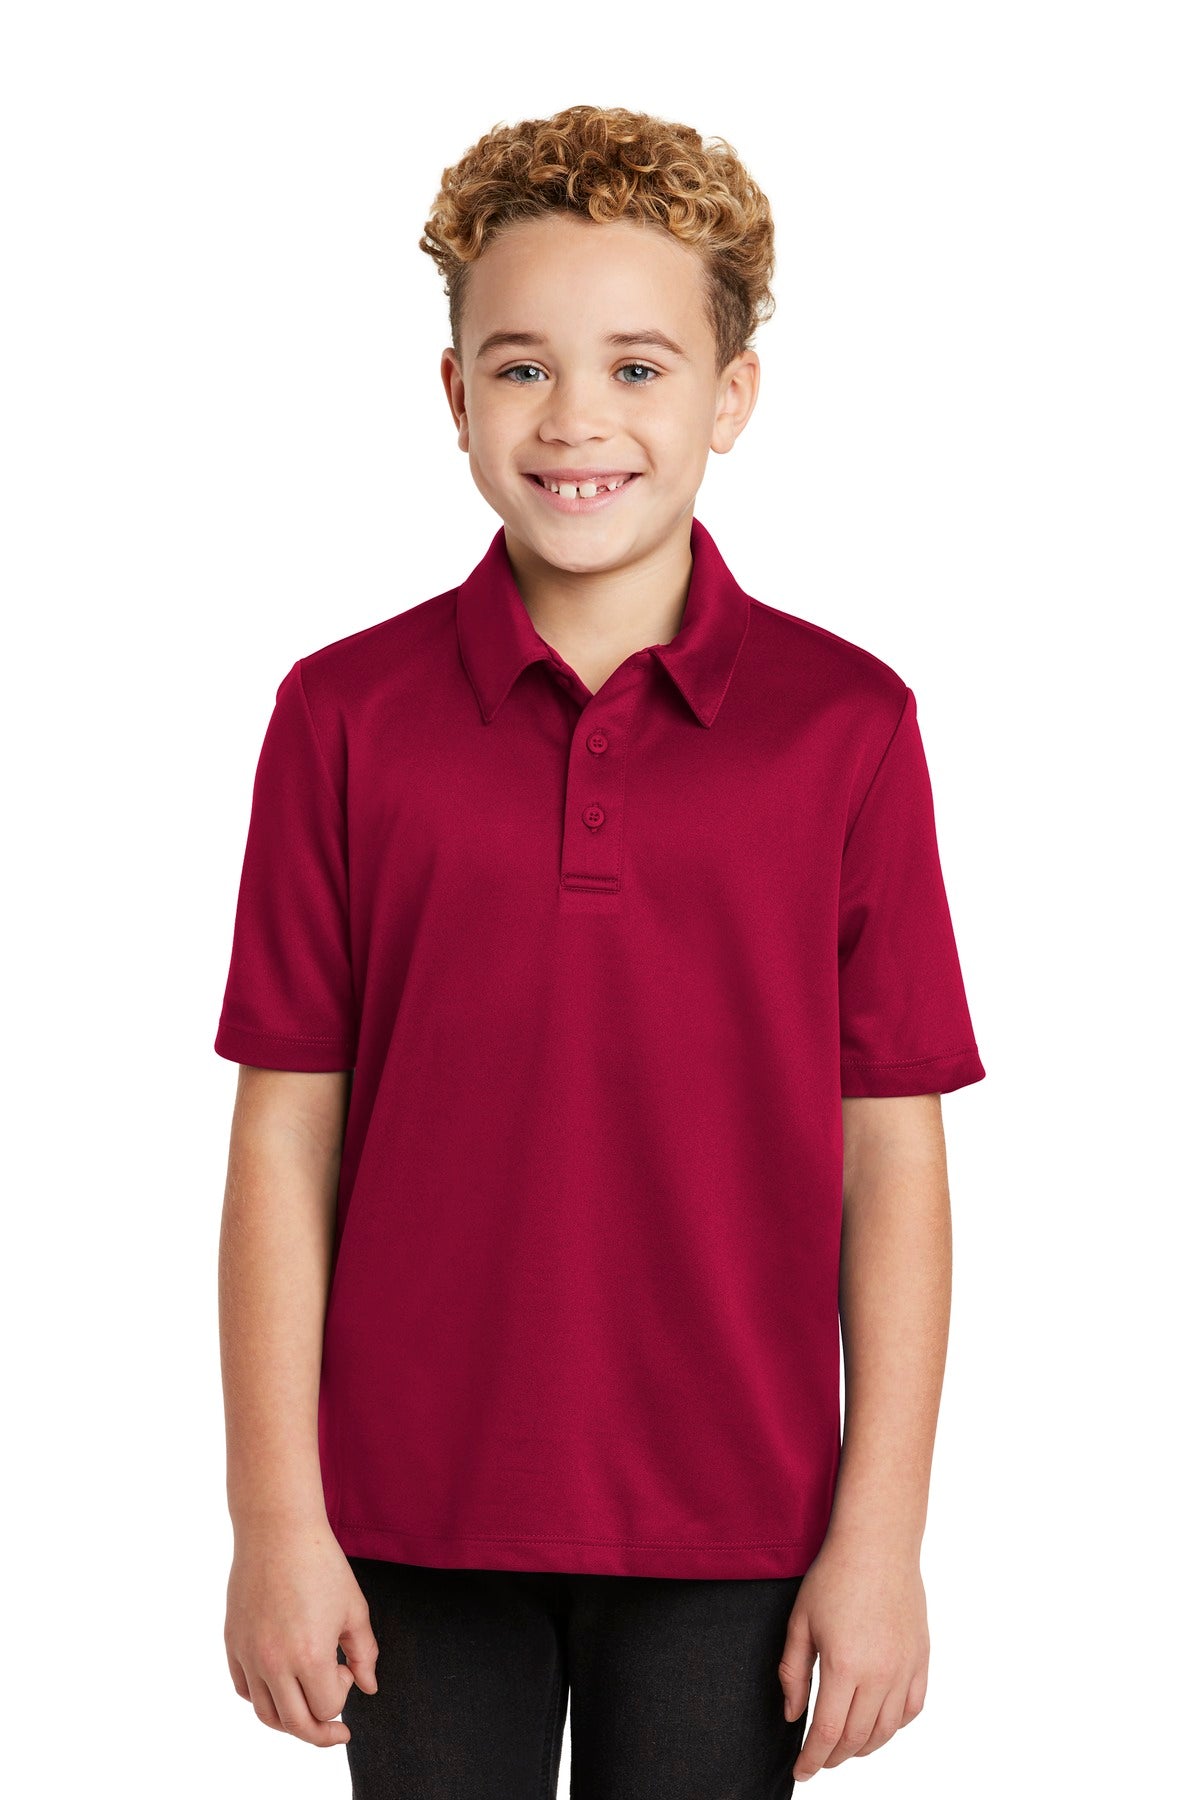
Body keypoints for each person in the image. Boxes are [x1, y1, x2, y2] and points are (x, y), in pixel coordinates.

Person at [214, 102, 986, 1799]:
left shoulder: (847, 727)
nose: (576, 420)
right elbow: (284, 1135)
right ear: (454, 394)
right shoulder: (341, 717)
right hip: (407, 1517)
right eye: (521, 367)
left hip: (741, 1524)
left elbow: (892, 1154)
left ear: (731, 395)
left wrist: (882, 1539)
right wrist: (275, 1520)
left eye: (638, 367)